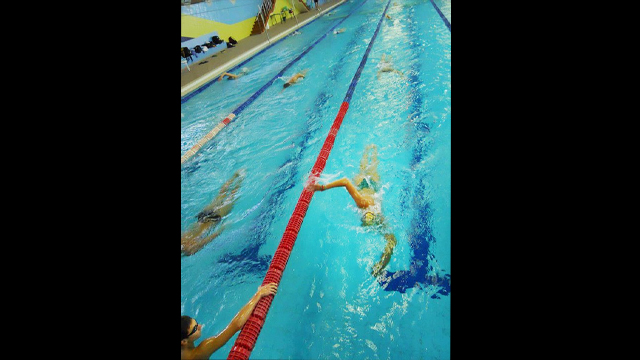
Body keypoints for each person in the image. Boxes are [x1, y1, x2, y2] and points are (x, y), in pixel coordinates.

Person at [307, 144, 397, 277]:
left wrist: (381, 264)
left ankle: (370, 149)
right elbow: (344, 181)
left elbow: (392, 241)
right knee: (371, 167)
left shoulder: (367, 208)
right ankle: (370, 150)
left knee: (366, 168)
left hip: (364, 186)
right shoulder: (363, 204)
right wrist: (321, 188)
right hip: (369, 185)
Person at [181, 283, 278, 360]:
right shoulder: (200, 352)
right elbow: (236, 325)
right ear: (184, 341)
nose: (200, 326)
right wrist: (258, 294)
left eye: (196, 323)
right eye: (195, 328)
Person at [181, 170, 244, 256]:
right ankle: (236, 175)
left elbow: (209, 239)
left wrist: (222, 228)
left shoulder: (189, 250)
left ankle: (241, 179)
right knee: (220, 194)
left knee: (231, 197)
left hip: (212, 221)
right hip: (202, 217)